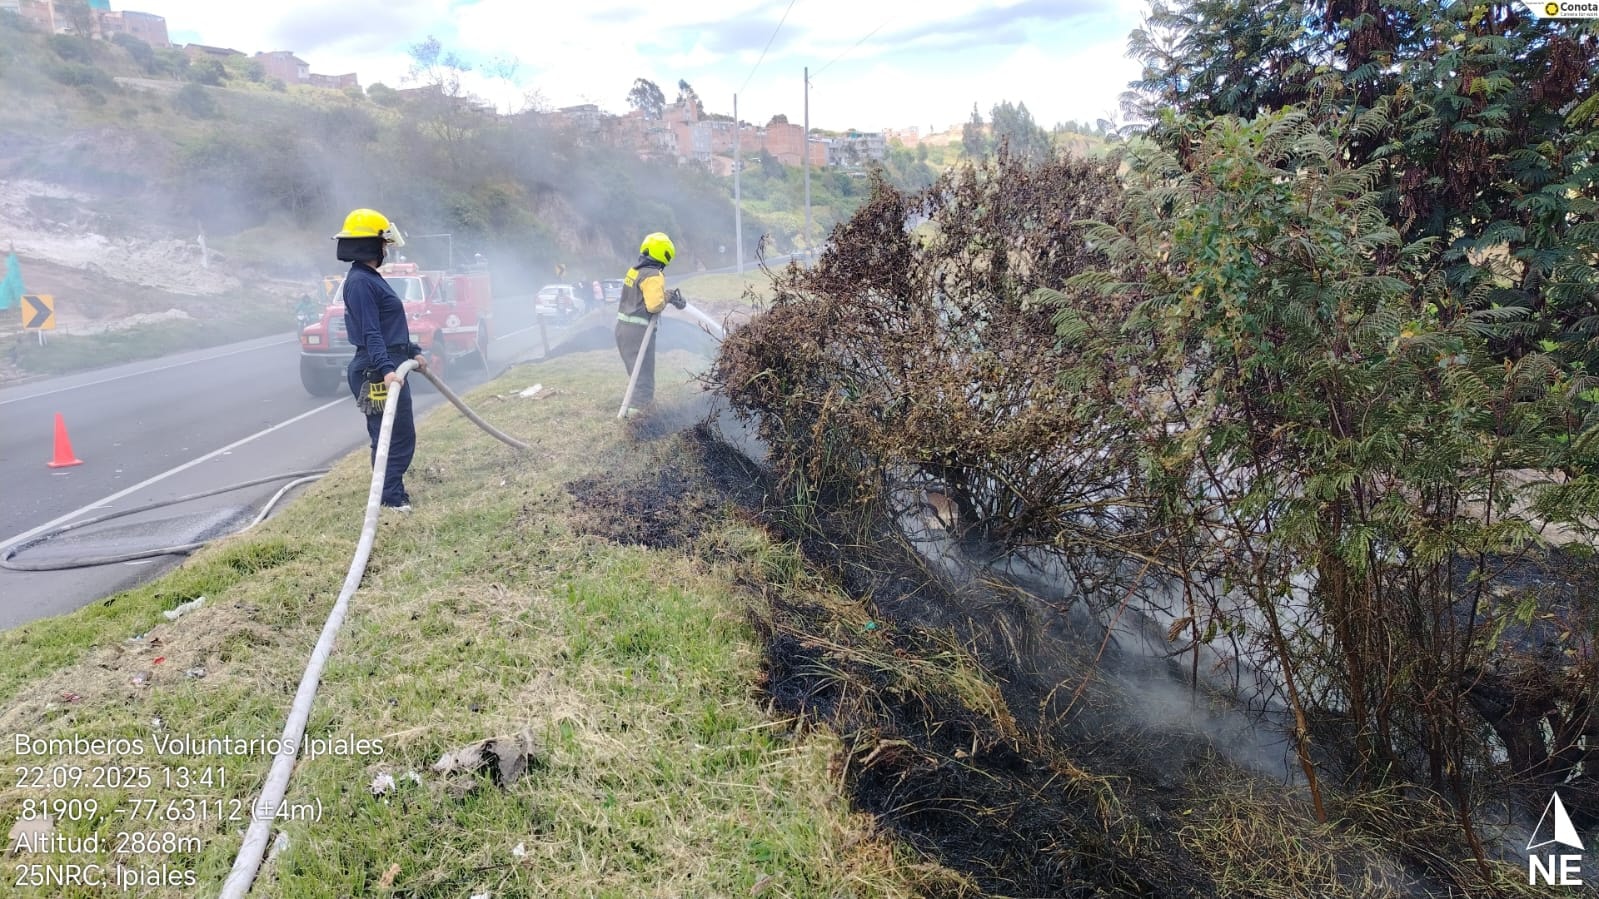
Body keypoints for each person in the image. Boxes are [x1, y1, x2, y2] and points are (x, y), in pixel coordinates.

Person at [334, 208, 426, 511]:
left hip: (388, 361)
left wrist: (411, 351)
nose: (386, 249)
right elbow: (371, 332)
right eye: (384, 243)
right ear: (370, 244)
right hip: (375, 369)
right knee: (390, 435)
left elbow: (389, 326)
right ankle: (390, 498)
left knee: (398, 433)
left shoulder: (369, 279)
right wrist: (387, 370)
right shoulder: (361, 282)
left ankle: (391, 492)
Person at [614, 231, 685, 415]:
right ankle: (639, 419)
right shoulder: (654, 275)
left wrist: (666, 296)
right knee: (644, 379)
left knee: (636, 376)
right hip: (638, 333)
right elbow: (654, 305)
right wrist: (668, 297)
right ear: (665, 255)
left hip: (623, 329)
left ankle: (631, 410)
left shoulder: (634, 271)